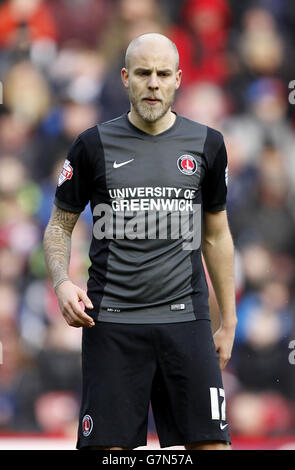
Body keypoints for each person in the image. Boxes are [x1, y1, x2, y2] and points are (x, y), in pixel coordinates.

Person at [43, 32, 237, 450]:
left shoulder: (208, 144)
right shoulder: (91, 145)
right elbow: (59, 224)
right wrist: (61, 283)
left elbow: (217, 235)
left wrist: (230, 320)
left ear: (179, 79)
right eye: (144, 73)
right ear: (125, 77)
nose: (154, 83)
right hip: (112, 323)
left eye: (163, 74)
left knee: (212, 446)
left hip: (187, 323)